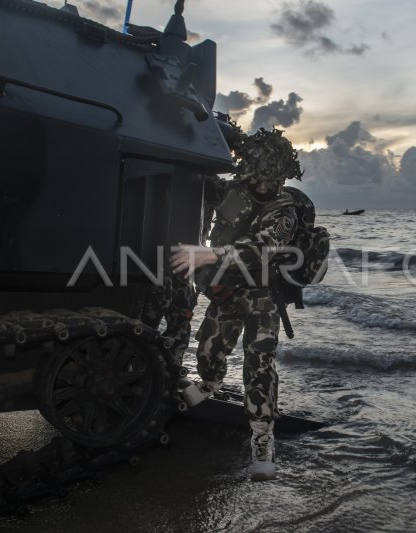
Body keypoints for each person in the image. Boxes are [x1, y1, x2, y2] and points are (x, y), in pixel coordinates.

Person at [169, 127, 303, 481]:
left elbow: (264, 247)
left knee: (259, 369)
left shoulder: (285, 209)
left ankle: (262, 441)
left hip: (262, 297)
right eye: (258, 177)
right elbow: (202, 179)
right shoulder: (233, 191)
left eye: (271, 179)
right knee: (208, 352)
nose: (263, 186)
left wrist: (210, 253)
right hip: (226, 293)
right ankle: (210, 383)